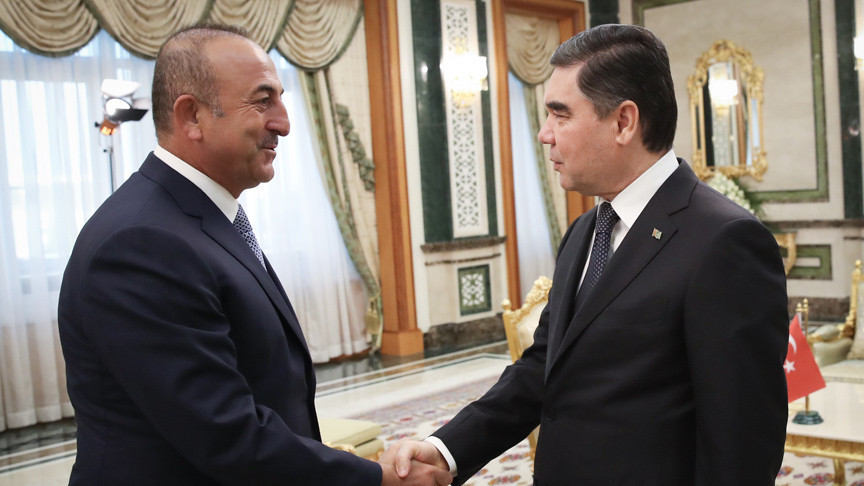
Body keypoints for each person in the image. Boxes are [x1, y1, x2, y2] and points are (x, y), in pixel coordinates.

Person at [389, 23, 789, 485]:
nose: (545, 134)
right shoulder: (585, 230)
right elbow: (544, 368)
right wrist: (446, 452)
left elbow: (741, 443)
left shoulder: (725, 240)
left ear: (623, 122)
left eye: (560, 116)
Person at [58, 23, 451, 486]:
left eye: (281, 100)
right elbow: (225, 434)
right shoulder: (142, 243)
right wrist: (376, 479)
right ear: (192, 116)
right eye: (263, 101)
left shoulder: (195, 218)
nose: (284, 123)